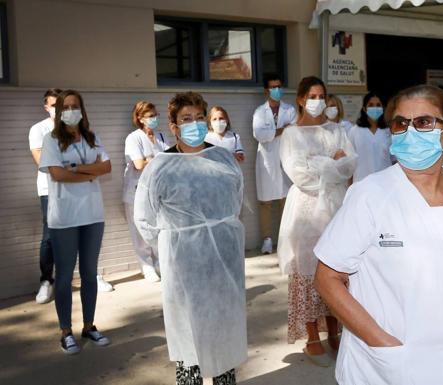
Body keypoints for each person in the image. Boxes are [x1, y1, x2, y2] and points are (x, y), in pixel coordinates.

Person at [314, 84, 443, 385]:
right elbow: (327, 277)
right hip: (393, 368)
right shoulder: (370, 194)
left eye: (423, 122)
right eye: (400, 123)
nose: (411, 131)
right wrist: (380, 342)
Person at [134, 91, 246, 385]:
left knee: (222, 331)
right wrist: (175, 246)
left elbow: (235, 202)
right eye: (186, 119)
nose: (194, 124)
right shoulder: (160, 166)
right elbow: (144, 218)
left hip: (224, 259)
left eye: (199, 118)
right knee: (187, 336)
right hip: (183, 263)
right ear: (173, 126)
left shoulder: (223, 158)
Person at [278, 76, 357, 367]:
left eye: (321, 95)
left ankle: (334, 330)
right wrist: (331, 163)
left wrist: (325, 163)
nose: (318, 100)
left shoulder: (337, 130)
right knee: (307, 272)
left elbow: (350, 163)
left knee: (334, 269)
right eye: (312, 95)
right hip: (306, 211)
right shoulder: (290, 134)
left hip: (336, 207)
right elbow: (300, 175)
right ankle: (312, 335)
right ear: (300, 99)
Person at [39, 89, 113, 355]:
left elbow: (107, 167)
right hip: (65, 218)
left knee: (90, 274)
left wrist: (75, 169)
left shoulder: (92, 138)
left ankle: (89, 326)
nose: (71, 110)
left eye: (75, 105)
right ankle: (66, 331)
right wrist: (88, 171)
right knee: (64, 276)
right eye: (66, 106)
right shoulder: (51, 140)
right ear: (59, 112)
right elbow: (57, 175)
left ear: (82, 109)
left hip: (92, 216)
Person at [123, 101, 168, 282]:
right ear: (140, 119)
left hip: (156, 191)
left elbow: (171, 158)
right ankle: (146, 266)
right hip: (136, 191)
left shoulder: (161, 137)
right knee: (139, 230)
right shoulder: (133, 138)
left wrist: (153, 158)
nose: (154, 119)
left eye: (155, 115)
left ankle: (159, 262)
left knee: (157, 227)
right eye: (150, 116)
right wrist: (159, 158)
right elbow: (139, 164)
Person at [253, 73, 297, 254]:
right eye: (273, 87)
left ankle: (285, 240)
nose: (277, 90)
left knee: (286, 200)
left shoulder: (290, 110)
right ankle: (267, 240)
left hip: (286, 157)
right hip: (267, 160)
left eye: (279, 86)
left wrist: (274, 131)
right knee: (266, 202)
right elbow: (259, 135)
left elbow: (294, 131)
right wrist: (281, 130)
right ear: (266, 90)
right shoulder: (259, 112)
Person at [29, 88, 61, 304]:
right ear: (46, 107)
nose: (58, 109)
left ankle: (91, 275)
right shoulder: (38, 129)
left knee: (82, 231)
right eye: (54, 105)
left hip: (76, 189)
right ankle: (46, 281)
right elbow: (42, 162)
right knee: (49, 235)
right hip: (49, 189)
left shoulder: (75, 128)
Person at [347, 92, 392, 183]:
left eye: (378, 105)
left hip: (385, 183)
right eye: (371, 105)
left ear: (383, 108)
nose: (375, 108)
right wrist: (349, 185)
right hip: (361, 182)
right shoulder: (355, 131)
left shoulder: (389, 131)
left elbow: (395, 159)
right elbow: (349, 161)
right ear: (364, 108)